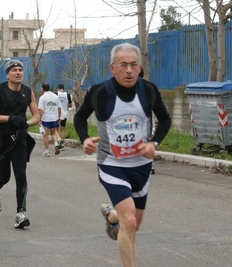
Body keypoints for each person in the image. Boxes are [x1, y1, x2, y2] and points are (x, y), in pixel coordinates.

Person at [74, 43, 171, 267]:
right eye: (123, 65)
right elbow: (79, 118)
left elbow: (165, 120)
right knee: (129, 222)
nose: (129, 70)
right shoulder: (99, 92)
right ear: (112, 67)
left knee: (133, 224)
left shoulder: (149, 90)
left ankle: (112, 215)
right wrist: (85, 139)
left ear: (139, 67)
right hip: (112, 164)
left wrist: (154, 143)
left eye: (133, 64)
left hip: (141, 166)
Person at [0, 60, 40, 228]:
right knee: (6, 175)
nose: (18, 73)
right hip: (1, 138)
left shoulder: (28, 92)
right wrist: (11, 118)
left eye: (20, 70)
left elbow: (37, 115)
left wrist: (27, 124)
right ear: (7, 74)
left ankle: (20, 213)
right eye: (14, 70)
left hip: (19, 138)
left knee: (21, 175)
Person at [38, 82, 61, 157]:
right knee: (53, 133)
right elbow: (59, 107)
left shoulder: (42, 98)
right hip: (54, 118)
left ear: (42, 88)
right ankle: (56, 144)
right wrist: (59, 117)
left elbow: (41, 110)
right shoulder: (55, 96)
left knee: (45, 135)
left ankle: (47, 151)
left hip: (46, 118)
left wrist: (39, 119)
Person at [55, 83, 72, 150]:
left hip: (57, 114)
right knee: (62, 130)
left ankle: (57, 143)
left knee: (55, 130)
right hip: (64, 114)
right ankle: (62, 146)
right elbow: (70, 105)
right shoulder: (67, 95)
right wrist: (65, 106)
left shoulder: (56, 94)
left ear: (58, 88)